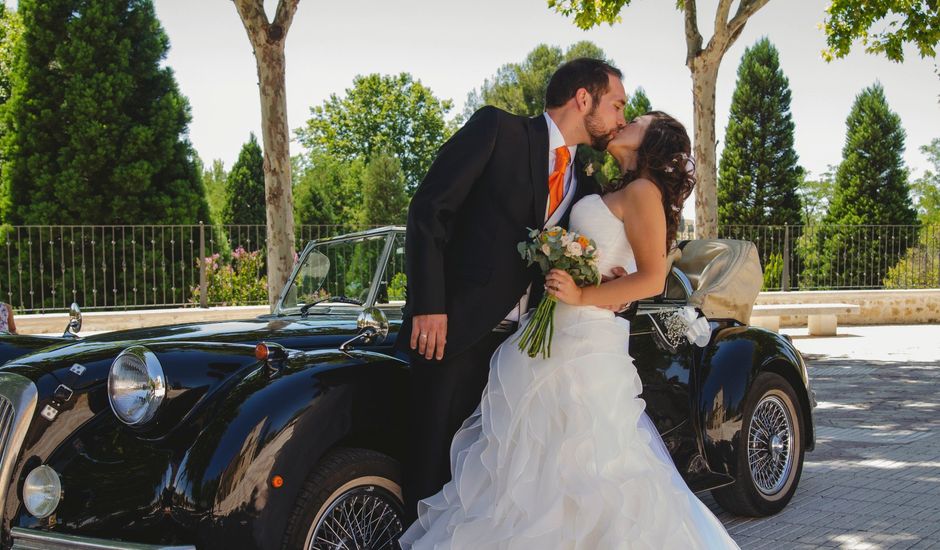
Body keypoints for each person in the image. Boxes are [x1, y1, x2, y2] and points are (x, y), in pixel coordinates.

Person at [398, 112, 741, 549]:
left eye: (634, 119)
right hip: (553, 335)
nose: (624, 120)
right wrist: (602, 283)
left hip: (589, 344)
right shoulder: (601, 184)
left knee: (587, 469)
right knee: (534, 468)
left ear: (652, 140)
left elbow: (653, 279)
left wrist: (583, 295)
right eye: (621, 109)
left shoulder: (643, 192)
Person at [398, 58, 628, 522]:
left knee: (487, 483)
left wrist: (608, 281)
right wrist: (429, 305)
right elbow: (430, 210)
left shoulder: (585, 182)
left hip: (523, 356)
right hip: (453, 334)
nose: (621, 119)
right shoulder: (497, 131)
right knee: (429, 477)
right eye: (617, 105)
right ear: (583, 99)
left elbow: (580, 251)